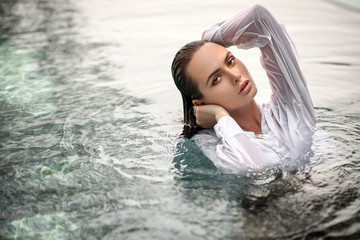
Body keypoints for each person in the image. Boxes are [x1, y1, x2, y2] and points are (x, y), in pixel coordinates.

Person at [171, 4, 316, 174]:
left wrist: (212, 37)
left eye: (230, 61)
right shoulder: (214, 144)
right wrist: (221, 117)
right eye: (216, 79)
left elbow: (260, 18)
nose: (235, 75)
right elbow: (252, 166)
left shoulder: (290, 108)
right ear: (201, 102)